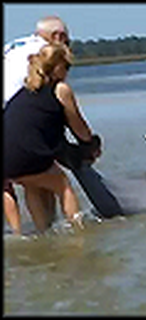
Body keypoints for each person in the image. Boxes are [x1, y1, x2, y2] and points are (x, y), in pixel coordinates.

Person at [4, 43, 101, 233]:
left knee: (32, 184)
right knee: (63, 185)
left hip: (6, 158)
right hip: (27, 154)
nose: (67, 72)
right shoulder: (60, 89)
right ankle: (78, 232)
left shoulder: (25, 91)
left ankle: (42, 233)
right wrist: (91, 145)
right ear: (57, 67)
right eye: (67, 67)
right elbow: (78, 127)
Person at [3, 16, 70, 234]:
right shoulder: (49, 53)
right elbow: (55, 100)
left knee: (12, 181)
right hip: (16, 118)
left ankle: (20, 234)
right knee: (43, 175)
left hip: (10, 117)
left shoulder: (14, 46)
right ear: (58, 37)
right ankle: (51, 228)